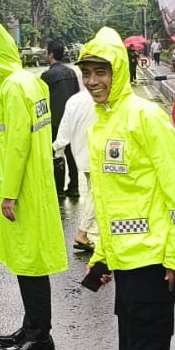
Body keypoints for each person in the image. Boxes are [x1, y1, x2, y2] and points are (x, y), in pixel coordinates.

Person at [77, 26, 175, 350]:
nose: (92, 81)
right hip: (126, 262)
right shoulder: (102, 122)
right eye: (87, 72)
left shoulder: (144, 117)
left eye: (100, 72)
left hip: (153, 259)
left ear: (119, 71)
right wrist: (103, 256)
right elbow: (110, 203)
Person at [0, 22, 68, 350]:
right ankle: (31, 324)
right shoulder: (30, 80)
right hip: (37, 181)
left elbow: (17, 145)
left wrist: (9, 193)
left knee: (29, 261)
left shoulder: (13, 88)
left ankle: (40, 336)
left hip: (23, 187)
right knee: (27, 258)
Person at [54, 76, 97, 254]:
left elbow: (64, 128)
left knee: (93, 192)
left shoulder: (74, 100)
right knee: (97, 194)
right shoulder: (107, 99)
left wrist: (58, 149)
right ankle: (84, 233)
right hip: (100, 156)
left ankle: (93, 233)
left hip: (82, 155)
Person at [41, 41, 82, 198]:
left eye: (46, 52)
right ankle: (74, 187)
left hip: (55, 121)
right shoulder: (71, 72)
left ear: (51, 54)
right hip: (72, 120)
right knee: (72, 154)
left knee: (58, 153)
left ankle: (59, 189)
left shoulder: (47, 76)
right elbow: (77, 95)